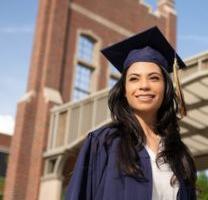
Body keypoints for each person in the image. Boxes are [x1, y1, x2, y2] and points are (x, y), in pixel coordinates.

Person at [65, 26, 197, 200]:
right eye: (134, 78)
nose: (144, 85)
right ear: (124, 90)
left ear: (166, 88)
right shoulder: (104, 142)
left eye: (154, 78)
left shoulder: (178, 154)